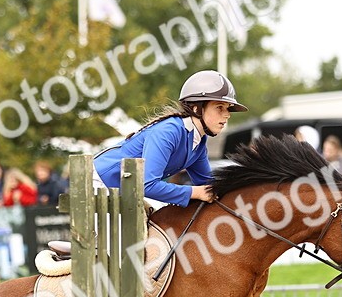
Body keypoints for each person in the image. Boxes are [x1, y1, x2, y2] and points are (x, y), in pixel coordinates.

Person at [93, 69, 246, 207]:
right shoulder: (168, 131)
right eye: (220, 107)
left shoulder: (198, 143)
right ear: (196, 108)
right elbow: (147, 185)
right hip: (98, 182)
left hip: (124, 190)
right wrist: (195, 192)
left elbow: (208, 185)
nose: (227, 114)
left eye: (227, 109)